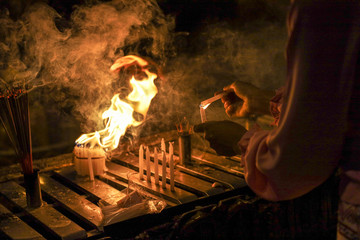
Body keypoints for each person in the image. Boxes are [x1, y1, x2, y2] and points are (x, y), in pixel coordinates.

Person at [194, 0, 360, 239]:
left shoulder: (321, 7)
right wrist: (265, 101)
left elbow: (296, 161)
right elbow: (340, 97)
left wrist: (240, 141)